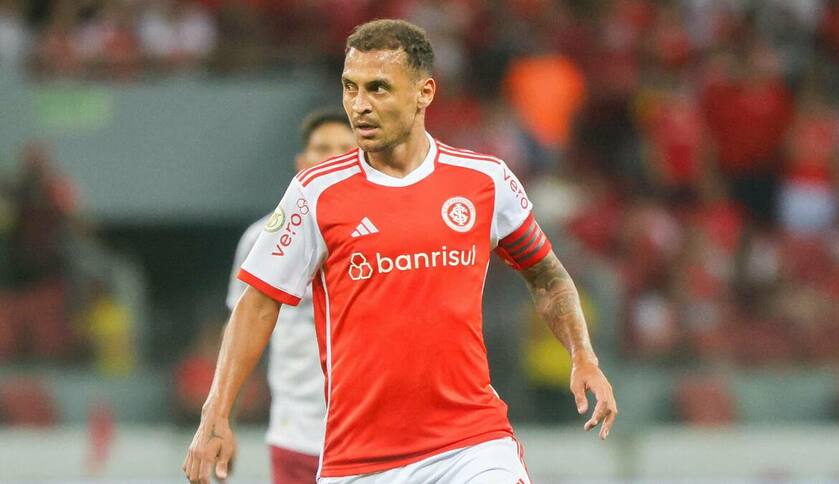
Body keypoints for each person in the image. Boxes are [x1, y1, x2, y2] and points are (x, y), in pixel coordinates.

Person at [184, 19, 617, 484]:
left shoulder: (483, 181)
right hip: (360, 460)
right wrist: (216, 411)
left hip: (471, 443)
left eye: (378, 89)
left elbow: (548, 277)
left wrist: (583, 355)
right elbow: (256, 304)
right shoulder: (316, 193)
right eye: (350, 88)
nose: (359, 106)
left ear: (424, 92)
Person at [224, 110, 355, 483]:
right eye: (322, 148)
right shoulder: (262, 239)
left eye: (345, 149)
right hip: (296, 431)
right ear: (302, 163)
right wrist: (221, 419)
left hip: (370, 432)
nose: (333, 157)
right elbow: (241, 335)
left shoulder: (383, 236)